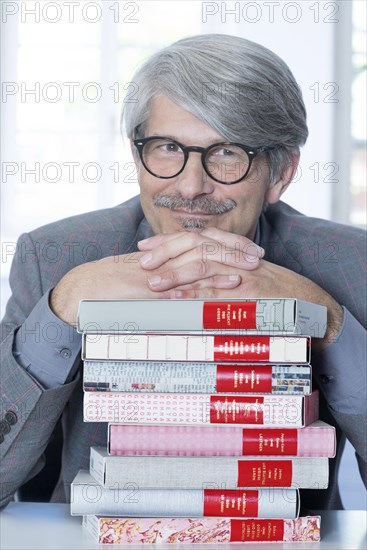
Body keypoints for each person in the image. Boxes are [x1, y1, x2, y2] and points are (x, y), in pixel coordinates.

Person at [1, 34, 366, 510]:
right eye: (168, 147)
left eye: (229, 153)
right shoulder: (53, 255)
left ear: (280, 174)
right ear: (136, 157)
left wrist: (329, 321)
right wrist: (61, 306)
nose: (192, 187)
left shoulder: (352, 264)